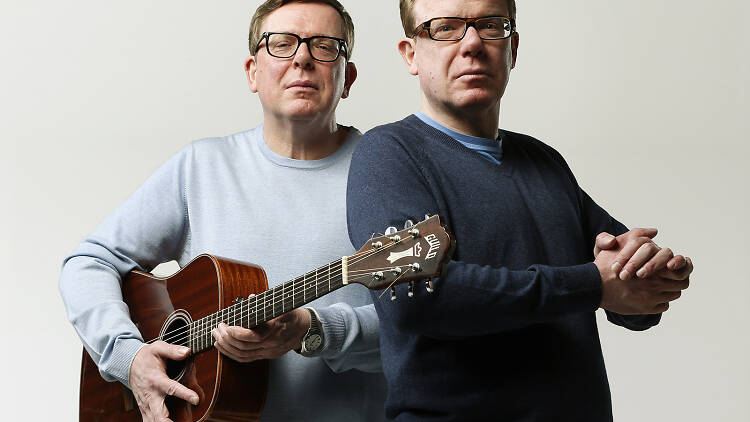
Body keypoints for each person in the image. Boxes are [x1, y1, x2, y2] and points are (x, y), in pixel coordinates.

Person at [346, 0, 693, 421]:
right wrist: (592, 286)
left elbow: (627, 287)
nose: (472, 43)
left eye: (491, 25)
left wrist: (653, 273)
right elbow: (412, 295)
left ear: (513, 47)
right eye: (445, 27)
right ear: (411, 54)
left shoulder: (544, 162)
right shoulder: (387, 156)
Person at [59, 1, 387, 421]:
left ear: (347, 78)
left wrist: (317, 328)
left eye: (324, 46)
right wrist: (129, 356)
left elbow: (422, 324)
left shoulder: (386, 173)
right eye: (282, 44)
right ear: (252, 72)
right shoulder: (201, 166)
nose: (302, 57)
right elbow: (88, 263)